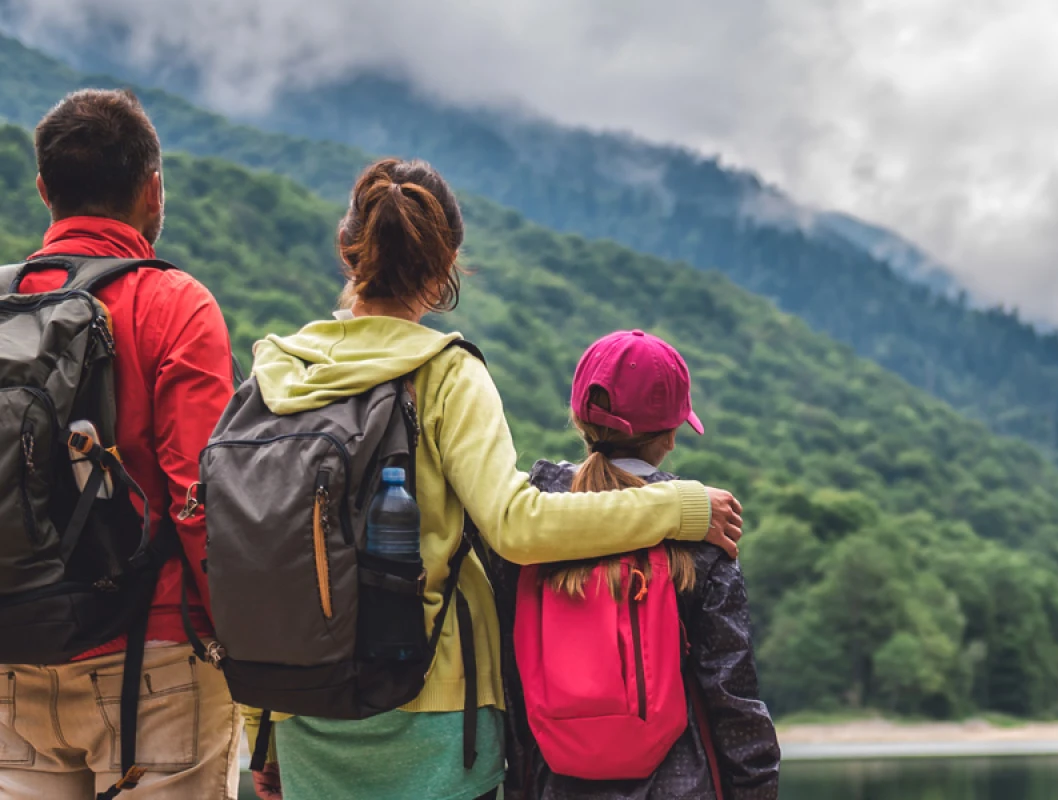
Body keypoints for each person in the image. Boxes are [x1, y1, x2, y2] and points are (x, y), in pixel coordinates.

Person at [244, 158, 745, 800]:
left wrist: (261, 721)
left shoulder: (279, 376)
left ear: (349, 250)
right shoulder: (446, 373)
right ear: (447, 260)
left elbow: (258, 553)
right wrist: (679, 508)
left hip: (303, 707)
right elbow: (517, 526)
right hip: (436, 706)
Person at [0, 89, 242, 799]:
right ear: (152, 187)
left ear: (44, 189)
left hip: (12, 649)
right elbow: (200, 500)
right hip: (153, 657)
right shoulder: (175, 305)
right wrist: (241, 641)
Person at [522, 330, 779, 799]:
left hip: (555, 784)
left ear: (580, 418)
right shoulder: (703, 528)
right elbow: (732, 699)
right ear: (671, 436)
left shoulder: (531, 521)